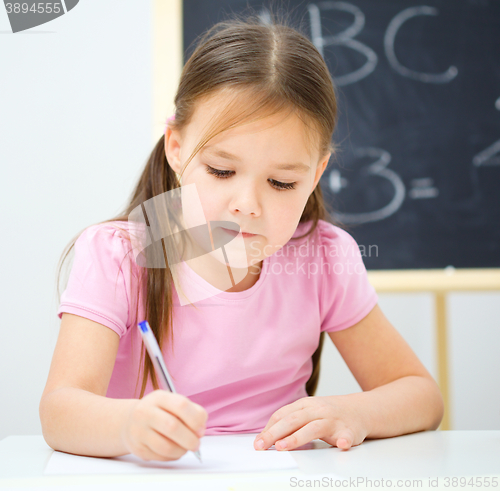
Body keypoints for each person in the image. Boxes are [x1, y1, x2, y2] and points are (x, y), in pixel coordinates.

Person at [39, 11, 444, 463]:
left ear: (316, 174)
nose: (247, 205)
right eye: (221, 171)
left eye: (282, 183)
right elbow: (60, 412)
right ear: (176, 148)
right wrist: (130, 426)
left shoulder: (326, 257)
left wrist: (352, 412)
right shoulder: (118, 255)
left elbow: (422, 396)